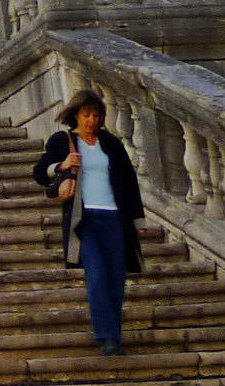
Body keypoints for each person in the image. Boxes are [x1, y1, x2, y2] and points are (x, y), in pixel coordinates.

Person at [33, 88, 146, 355]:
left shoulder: (111, 143)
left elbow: (129, 183)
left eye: (96, 115)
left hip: (114, 218)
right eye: (86, 115)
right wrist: (61, 165)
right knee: (96, 276)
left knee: (116, 278)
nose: (92, 120)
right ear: (76, 115)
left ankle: (115, 334)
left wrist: (137, 219)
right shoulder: (62, 141)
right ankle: (106, 338)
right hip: (85, 220)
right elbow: (40, 172)